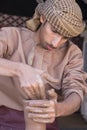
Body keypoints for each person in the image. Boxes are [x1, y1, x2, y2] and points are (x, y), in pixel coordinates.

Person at [0, 0, 87, 130]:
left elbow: (76, 94)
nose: (56, 43)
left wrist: (57, 109)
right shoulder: (11, 36)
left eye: (65, 37)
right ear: (43, 18)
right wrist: (19, 70)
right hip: (4, 116)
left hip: (46, 121)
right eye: (54, 30)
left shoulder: (73, 54)